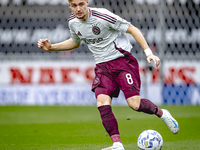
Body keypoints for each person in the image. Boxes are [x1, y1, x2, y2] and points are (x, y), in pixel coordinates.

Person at [37, 0, 179, 149]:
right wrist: (52, 47)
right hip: (102, 67)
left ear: (87, 2)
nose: (78, 9)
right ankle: (117, 145)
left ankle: (162, 113)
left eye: (81, 4)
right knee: (102, 102)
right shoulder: (72, 22)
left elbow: (132, 29)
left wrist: (148, 53)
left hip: (123, 62)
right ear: (69, 6)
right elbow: (75, 41)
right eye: (74, 5)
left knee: (134, 104)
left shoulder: (103, 15)